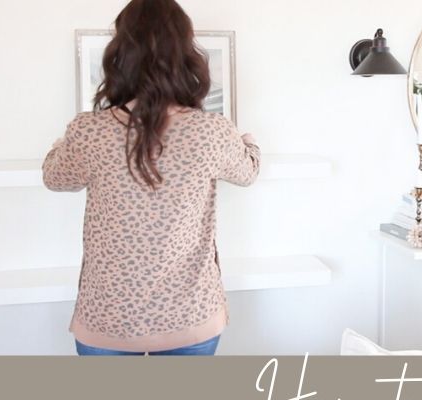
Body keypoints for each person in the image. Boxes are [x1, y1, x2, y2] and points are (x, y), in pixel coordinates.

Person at [42, 0, 260, 356]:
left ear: (119, 55)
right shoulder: (212, 131)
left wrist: (58, 145)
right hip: (191, 315)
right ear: (186, 55)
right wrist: (248, 141)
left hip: (107, 319)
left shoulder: (88, 130)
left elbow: (54, 177)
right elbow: (248, 171)